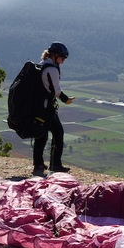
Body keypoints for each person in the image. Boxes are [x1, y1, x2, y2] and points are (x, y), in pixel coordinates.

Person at [32, 41, 75, 176]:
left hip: (37, 107)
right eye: (62, 58)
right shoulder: (52, 69)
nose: (62, 62)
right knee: (58, 133)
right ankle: (55, 164)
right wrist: (66, 100)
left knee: (41, 135)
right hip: (48, 108)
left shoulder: (41, 64)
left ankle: (38, 165)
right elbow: (56, 91)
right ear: (55, 55)